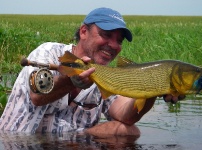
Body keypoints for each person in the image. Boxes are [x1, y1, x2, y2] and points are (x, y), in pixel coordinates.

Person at [0, 7, 184, 136]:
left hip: (72, 143)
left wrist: (152, 91)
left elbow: (125, 116)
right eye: (106, 35)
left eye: (119, 41)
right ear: (83, 32)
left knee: (127, 132)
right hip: (20, 141)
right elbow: (37, 97)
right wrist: (71, 80)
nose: (113, 45)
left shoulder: (105, 75)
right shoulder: (49, 52)